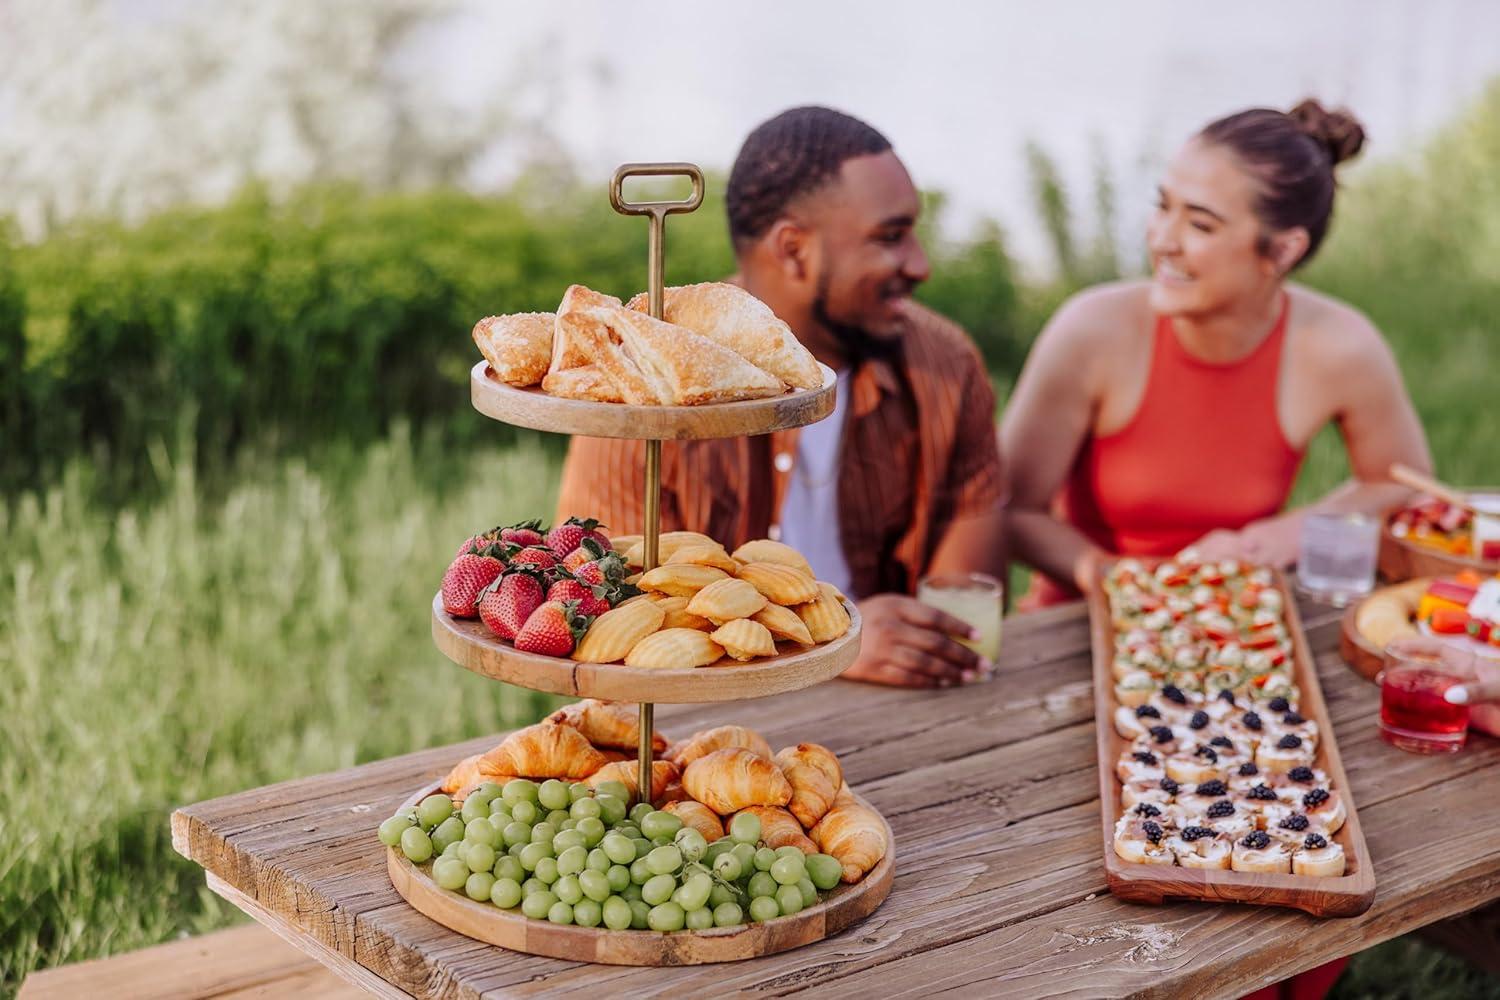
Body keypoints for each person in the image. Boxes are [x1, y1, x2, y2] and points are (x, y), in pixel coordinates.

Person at [557, 106, 1006, 688]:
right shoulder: (642, 385)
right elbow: (615, 632)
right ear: (793, 250)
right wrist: (839, 641)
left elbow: (954, 628)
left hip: (897, 708)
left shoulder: (947, 367)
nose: (920, 264)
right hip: (710, 721)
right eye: (890, 238)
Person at [1000, 100, 1432, 607]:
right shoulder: (1091, 331)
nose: (1162, 240)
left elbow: (1403, 485)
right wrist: (1122, 581)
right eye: (1163, 206)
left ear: (1284, 250)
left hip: (1240, 623)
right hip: (1078, 627)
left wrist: (1273, 540)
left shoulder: (1339, 346)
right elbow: (1010, 511)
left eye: (1200, 226)